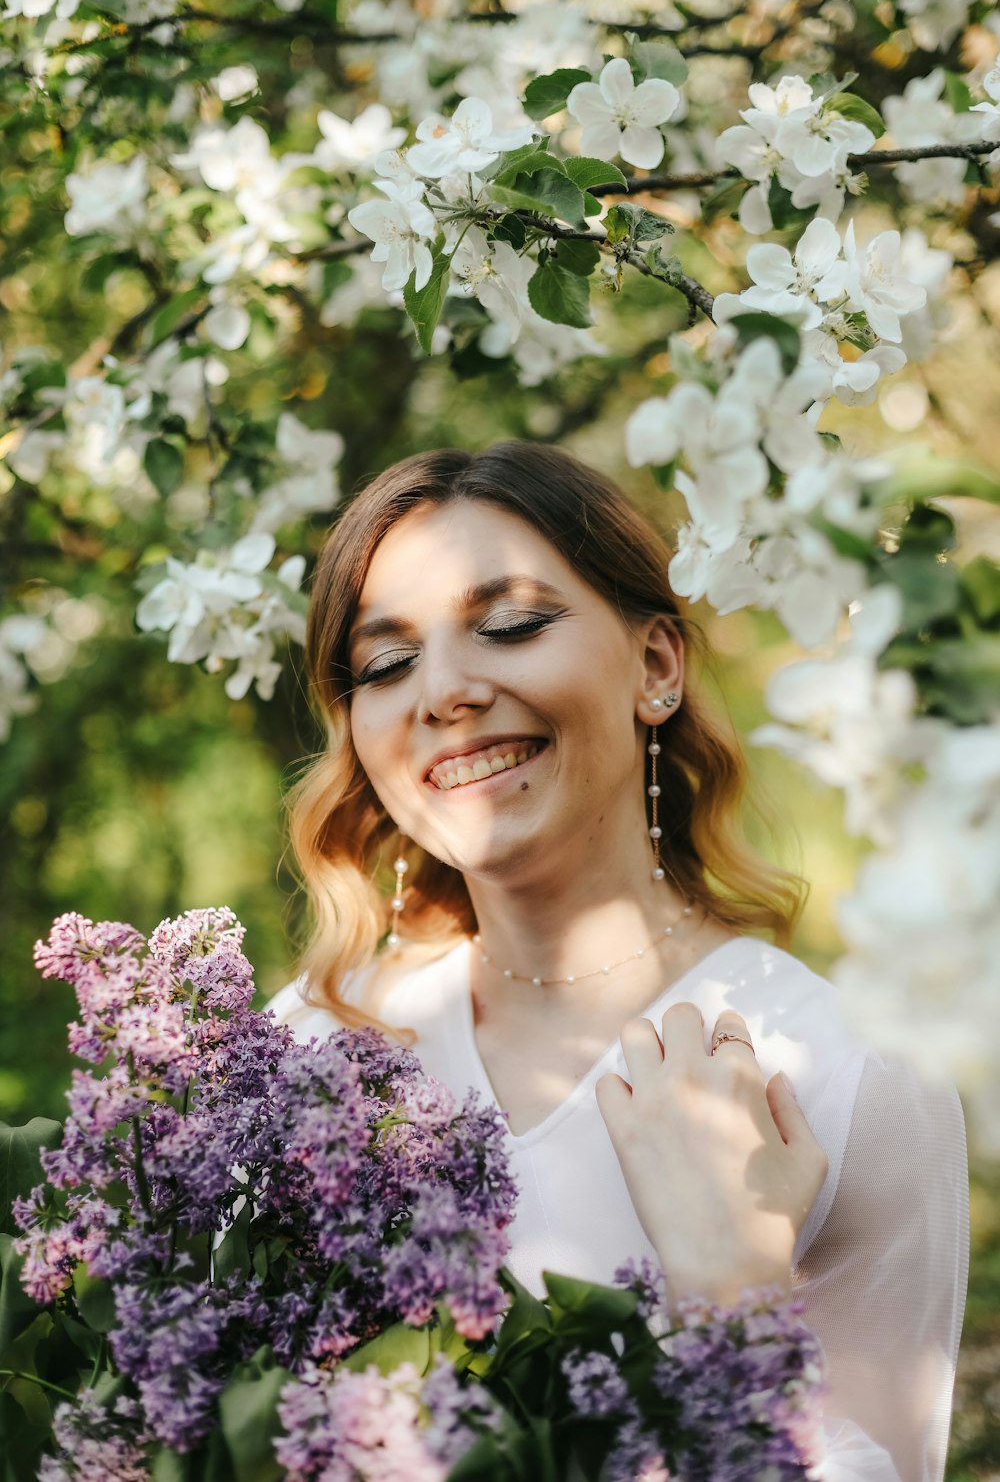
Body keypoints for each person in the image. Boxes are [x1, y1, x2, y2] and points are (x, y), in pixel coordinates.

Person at [266, 440, 969, 1482]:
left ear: (655, 666)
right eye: (385, 664)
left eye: (508, 625)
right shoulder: (301, 1048)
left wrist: (732, 1299)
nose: (444, 691)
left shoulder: (848, 1074)